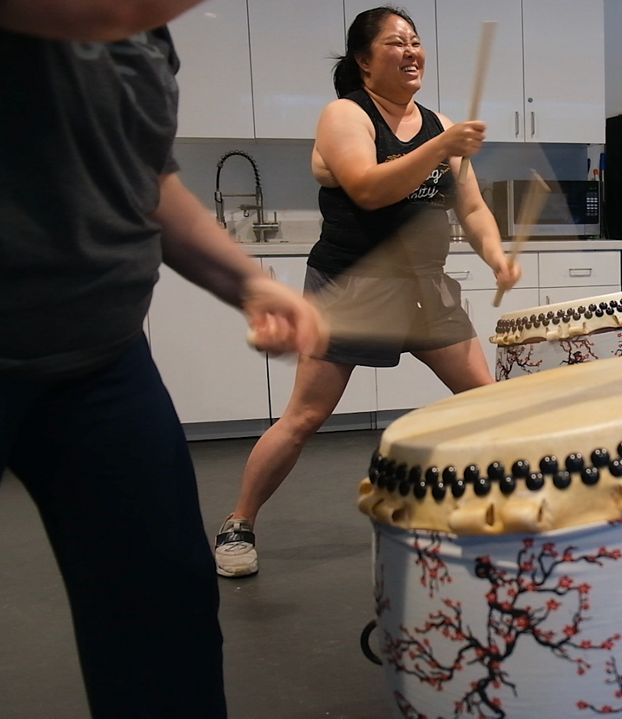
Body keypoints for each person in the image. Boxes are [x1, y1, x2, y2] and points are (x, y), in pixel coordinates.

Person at [0, 2, 328, 716]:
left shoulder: (149, 35)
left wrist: (246, 279)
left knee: (164, 616)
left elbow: (145, 176)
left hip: (101, 356)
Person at [214, 6, 519, 577]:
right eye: (395, 43)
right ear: (363, 61)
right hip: (352, 287)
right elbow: (368, 188)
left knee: (491, 402)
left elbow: (472, 207)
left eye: (416, 42)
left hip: (425, 287)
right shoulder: (344, 116)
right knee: (304, 418)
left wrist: (497, 255)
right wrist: (440, 146)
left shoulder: (437, 123)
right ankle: (238, 523)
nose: (411, 52)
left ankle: (509, 513)